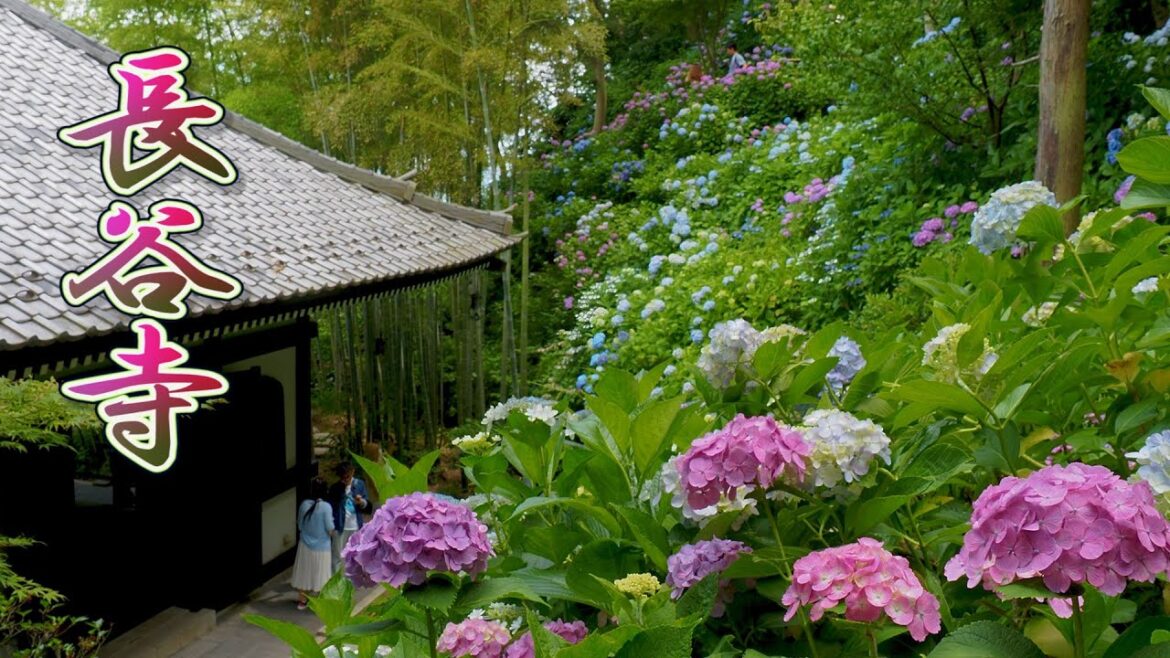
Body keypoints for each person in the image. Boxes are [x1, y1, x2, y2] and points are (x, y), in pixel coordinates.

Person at [292, 477, 335, 610]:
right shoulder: (326, 507)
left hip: (305, 545)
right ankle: (321, 604)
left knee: (305, 573)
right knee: (322, 574)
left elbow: (299, 525)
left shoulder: (304, 505)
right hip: (322, 547)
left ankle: (302, 601)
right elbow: (330, 528)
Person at [329, 461, 373, 572]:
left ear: (352, 472)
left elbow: (367, 505)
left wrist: (361, 502)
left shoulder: (359, 484)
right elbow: (331, 507)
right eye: (343, 476)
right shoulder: (335, 488)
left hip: (355, 525)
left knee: (355, 553)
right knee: (337, 555)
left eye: (348, 475)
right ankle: (336, 580)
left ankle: (352, 578)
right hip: (340, 526)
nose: (346, 478)